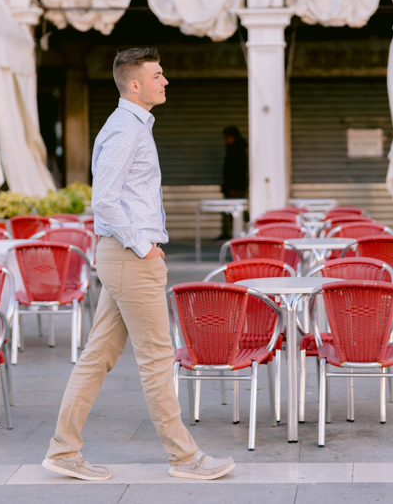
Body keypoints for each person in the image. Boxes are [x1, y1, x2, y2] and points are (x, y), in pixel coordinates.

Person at [42, 47, 235, 482]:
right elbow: (104, 200)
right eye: (157, 75)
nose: (165, 81)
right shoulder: (126, 130)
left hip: (125, 256)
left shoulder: (130, 127)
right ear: (135, 84)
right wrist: (143, 245)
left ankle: (63, 449)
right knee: (157, 357)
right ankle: (184, 458)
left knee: (98, 355)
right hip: (130, 257)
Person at [220, 126, 248, 239]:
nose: (225, 140)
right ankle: (236, 232)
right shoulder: (237, 149)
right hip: (235, 186)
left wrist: (232, 187)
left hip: (235, 187)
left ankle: (237, 233)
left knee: (234, 211)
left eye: (227, 137)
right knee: (235, 211)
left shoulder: (235, 150)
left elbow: (234, 171)